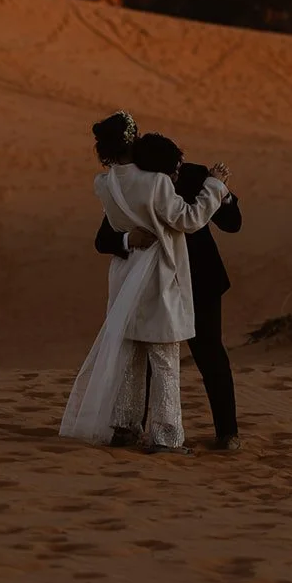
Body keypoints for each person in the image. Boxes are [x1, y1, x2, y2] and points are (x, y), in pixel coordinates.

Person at [59, 116, 229, 454]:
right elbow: (189, 219)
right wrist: (215, 186)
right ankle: (166, 437)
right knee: (164, 358)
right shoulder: (156, 183)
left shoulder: (104, 184)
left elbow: (117, 225)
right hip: (159, 275)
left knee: (131, 353)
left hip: (125, 276)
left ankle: (124, 426)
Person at [94, 156, 241, 450]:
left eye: (179, 165)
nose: (178, 170)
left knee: (210, 355)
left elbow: (232, 223)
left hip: (200, 282)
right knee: (146, 355)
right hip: (154, 286)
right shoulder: (139, 184)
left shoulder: (195, 176)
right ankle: (130, 428)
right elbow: (105, 238)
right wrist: (128, 239)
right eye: (173, 167)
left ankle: (227, 433)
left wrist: (222, 194)